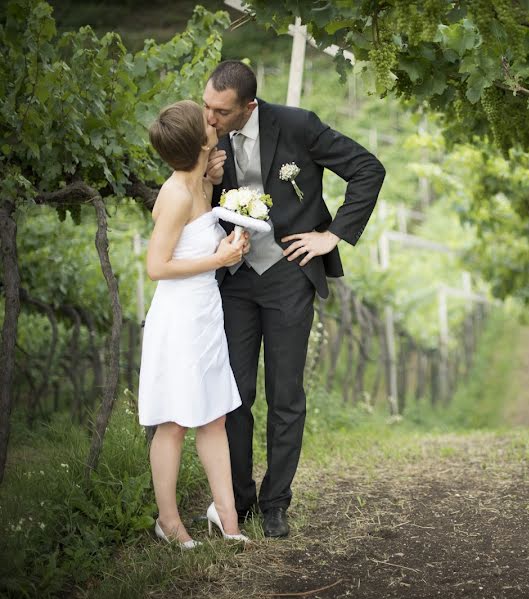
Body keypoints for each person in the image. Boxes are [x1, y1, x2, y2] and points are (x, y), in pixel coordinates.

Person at [203, 60, 385, 538]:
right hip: (235, 277)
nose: (210, 118)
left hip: (288, 272)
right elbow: (193, 206)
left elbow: (368, 169)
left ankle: (275, 502)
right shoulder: (206, 137)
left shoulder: (298, 125)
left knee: (286, 394)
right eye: (206, 106)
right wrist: (207, 175)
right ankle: (238, 500)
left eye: (220, 111)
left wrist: (333, 236)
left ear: (249, 106)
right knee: (234, 394)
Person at [139, 100, 251, 548]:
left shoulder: (201, 182)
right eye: (205, 119)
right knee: (173, 423)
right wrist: (219, 258)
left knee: (214, 417)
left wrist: (225, 243)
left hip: (206, 314)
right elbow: (156, 266)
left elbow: (195, 243)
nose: (213, 118)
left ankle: (226, 518)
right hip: (179, 318)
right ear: (196, 142)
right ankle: (168, 521)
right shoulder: (177, 194)